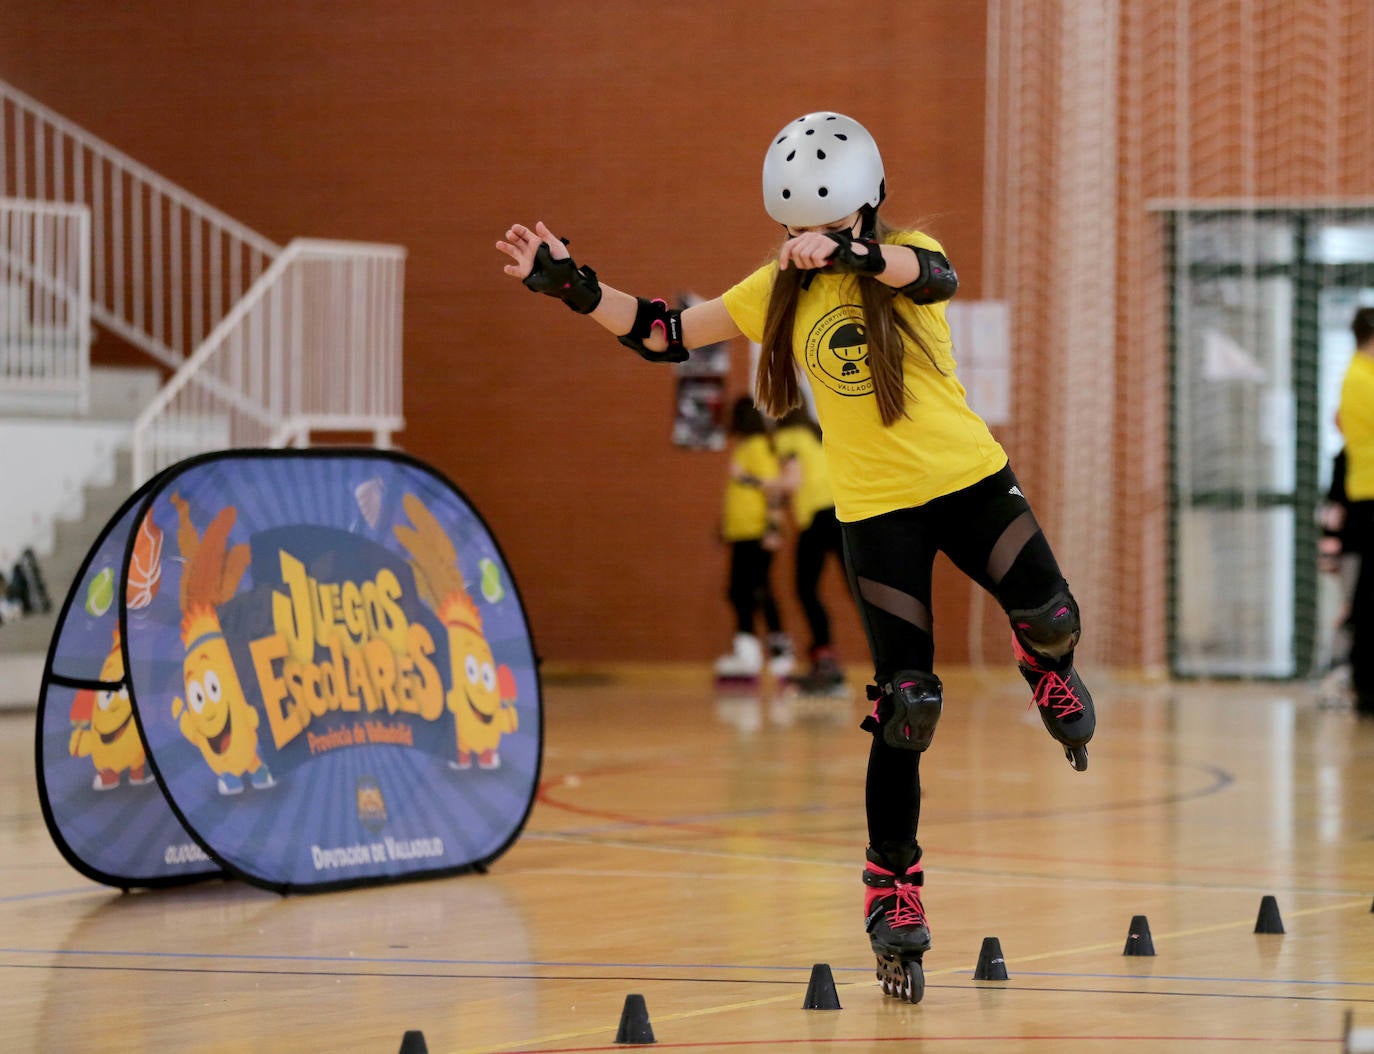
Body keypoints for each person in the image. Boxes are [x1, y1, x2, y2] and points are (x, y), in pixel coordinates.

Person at [496, 110, 1096, 1004]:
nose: (807, 243)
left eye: (824, 225)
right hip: (876, 513)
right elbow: (663, 333)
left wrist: (853, 256)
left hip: (971, 480)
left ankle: (1040, 663)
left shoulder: (900, 255)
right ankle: (892, 887)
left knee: (1054, 619)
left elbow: (934, 274)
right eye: (795, 229)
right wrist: (579, 288)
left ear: (867, 209)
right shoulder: (775, 289)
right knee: (909, 704)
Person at [714, 395, 794, 685]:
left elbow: (773, 488)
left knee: (760, 590)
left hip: (758, 530)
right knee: (738, 592)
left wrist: (773, 528)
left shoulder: (759, 446)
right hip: (742, 531)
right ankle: (746, 652)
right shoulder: (745, 447)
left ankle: (780, 654)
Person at [770, 405, 847, 694]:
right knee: (857, 591)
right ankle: (895, 664)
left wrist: (756, 482)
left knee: (805, 589)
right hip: (841, 514)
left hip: (817, 518)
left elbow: (792, 480)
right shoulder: (817, 432)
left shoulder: (787, 436)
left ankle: (824, 660)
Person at [1337, 307, 1374, 717]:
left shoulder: (1363, 374)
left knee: (1367, 596)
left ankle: (1365, 683)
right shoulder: (1360, 377)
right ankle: (1365, 686)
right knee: (1367, 599)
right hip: (1368, 496)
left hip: (1366, 495)